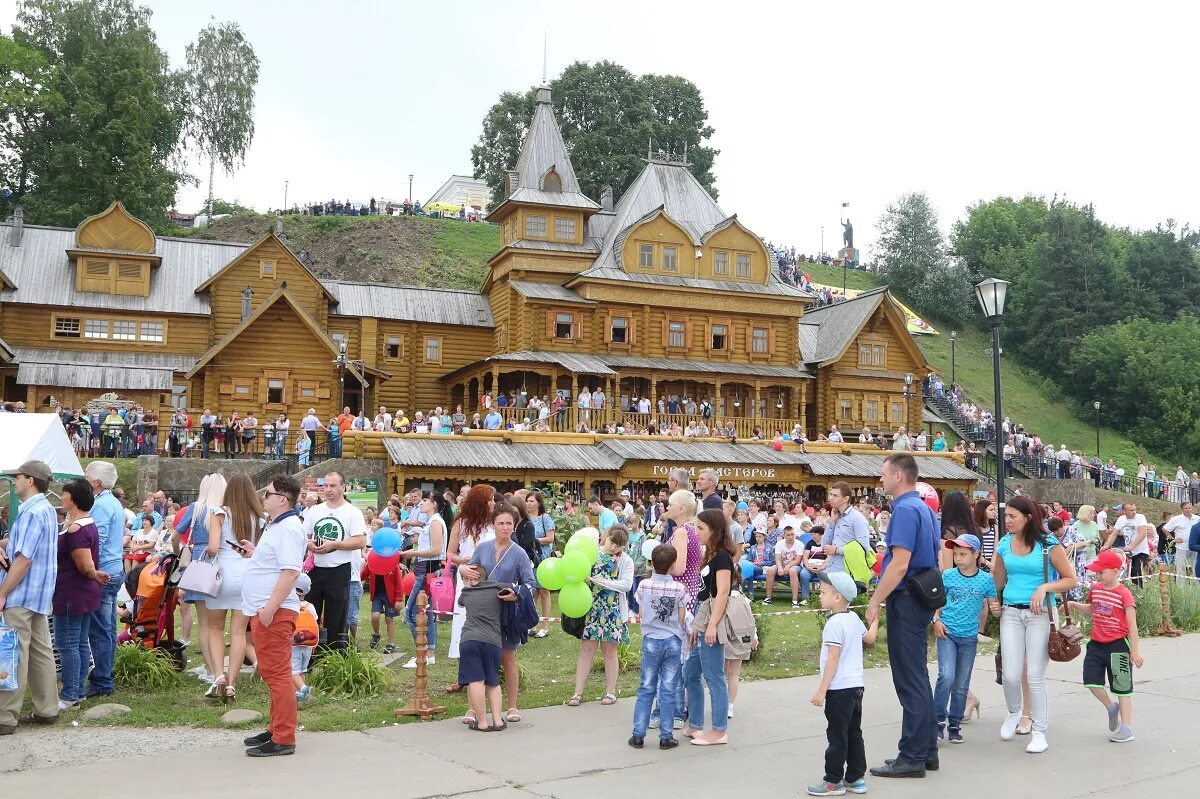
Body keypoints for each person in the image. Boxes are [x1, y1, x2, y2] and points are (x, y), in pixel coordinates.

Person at [867, 454, 941, 778]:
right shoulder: (925, 509)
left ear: (898, 476)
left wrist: (875, 600)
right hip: (920, 598)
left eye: (883, 474)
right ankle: (927, 751)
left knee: (909, 681)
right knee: (918, 678)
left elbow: (898, 564)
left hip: (907, 599)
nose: (880, 480)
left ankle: (911, 756)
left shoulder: (904, 511)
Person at [993, 495, 1077, 754]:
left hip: (1041, 615)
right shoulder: (1004, 544)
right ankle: (1013, 712)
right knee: (1009, 673)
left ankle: (1039, 731)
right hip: (1010, 613)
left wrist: (1044, 587)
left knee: (1035, 675)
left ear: (1028, 518)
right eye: (1005, 516)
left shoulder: (1048, 545)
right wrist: (990, 603)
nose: (1007, 521)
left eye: (1012, 516)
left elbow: (1070, 579)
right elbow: (997, 581)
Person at [239, 475, 306, 757]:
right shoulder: (278, 525)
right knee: (272, 672)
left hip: (274, 611)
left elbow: (291, 572)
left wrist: (269, 609)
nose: (263, 497)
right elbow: (278, 564)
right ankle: (276, 727)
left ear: (282, 499)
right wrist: (256, 555)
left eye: (268, 494)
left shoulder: (289, 528)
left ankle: (283, 736)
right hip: (267, 609)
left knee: (277, 675)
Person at [0, 461, 65, 734]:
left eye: (18, 477)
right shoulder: (47, 510)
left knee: (13, 653)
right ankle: (47, 708)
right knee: (41, 652)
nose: (14, 481)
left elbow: (23, 559)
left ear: (30, 480)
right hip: (40, 593)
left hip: (21, 593)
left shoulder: (29, 513)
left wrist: (2, 593)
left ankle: (5, 716)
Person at [461, 503, 535, 724]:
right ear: (493, 525)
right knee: (477, 661)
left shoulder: (519, 553)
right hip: (482, 613)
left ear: (515, 526)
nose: (504, 527)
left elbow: (530, 583)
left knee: (507, 657)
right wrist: (462, 569)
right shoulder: (482, 548)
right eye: (500, 523)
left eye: (509, 523)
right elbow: (470, 576)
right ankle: (473, 708)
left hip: (507, 612)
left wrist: (516, 594)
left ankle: (512, 706)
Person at [808, 572, 880, 797]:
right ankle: (856, 778)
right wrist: (875, 621)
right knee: (853, 732)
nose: (820, 596)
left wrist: (822, 690)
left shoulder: (834, 623)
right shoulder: (853, 619)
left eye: (823, 592)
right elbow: (869, 639)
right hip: (856, 687)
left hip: (838, 689)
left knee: (837, 735)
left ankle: (832, 780)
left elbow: (833, 658)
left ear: (837, 597)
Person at [1068, 549, 1143, 743]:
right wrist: (1073, 605)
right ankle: (1111, 707)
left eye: (1102, 572)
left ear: (1115, 571)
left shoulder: (1124, 594)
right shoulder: (1095, 589)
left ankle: (1126, 728)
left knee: (1122, 688)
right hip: (1096, 644)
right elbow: (1092, 609)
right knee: (1091, 681)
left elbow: (1132, 625)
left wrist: (1134, 651)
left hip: (1118, 645)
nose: (1098, 575)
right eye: (1097, 572)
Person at [933, 533, 998, 742]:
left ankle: (954, 725)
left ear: (976, 554)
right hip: (947, 633)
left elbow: (993, 606)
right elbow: (938, 601)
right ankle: (937, 723)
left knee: (961, 684)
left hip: (969, 637)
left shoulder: (986, 580)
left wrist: (997, 609)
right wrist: (936, 620)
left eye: (963, 554)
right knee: (946, 676)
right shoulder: (948, 576)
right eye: (956, 554)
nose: (958, 558)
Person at [52, 479, 109, 710]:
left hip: (71, 592)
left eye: (64, 494)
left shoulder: (76, 529)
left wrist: (94, 573)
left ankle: (70, 695)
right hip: (83, 593)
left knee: (68, 644)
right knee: (80, 643)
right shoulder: (83, 523)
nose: (61, 498)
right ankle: (78, 690)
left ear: (73, 499)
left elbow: (85, 566)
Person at [204, 473, 261, 702]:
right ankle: (233, 683)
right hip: (248, 576)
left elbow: (213, 548)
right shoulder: (260, 516)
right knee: (239, 632)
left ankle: (218, 675)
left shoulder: (220, 513)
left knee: (215, 628)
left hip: (222, 575)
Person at [683, 508, 737, 746]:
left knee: (714, 676)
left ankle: (718, 730)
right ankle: (695, 723)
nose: (696, 532)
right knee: (691, 673)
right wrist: (698, 624)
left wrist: (712, 625)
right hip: (703, 617)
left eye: (701, 528)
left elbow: (722, 591)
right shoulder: (710, 554)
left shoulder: (722, 556)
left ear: (714, 530)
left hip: (712, 619)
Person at [566, 525, 633, 707]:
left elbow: (627, 585)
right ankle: (577, 692)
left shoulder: (625, 560)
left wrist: (604, 582)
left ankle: (610, 691)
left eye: (618, 545)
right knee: (586, 650)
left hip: (613, 611)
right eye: (612, 542)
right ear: (606, 536)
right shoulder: (592, 554)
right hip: (591, 608)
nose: (613, 548)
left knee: (609, 651)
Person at [629, 543, 688, 749]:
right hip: (672, 639)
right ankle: (666, 735)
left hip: (651, 638)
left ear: (652, 563)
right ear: (673, 566)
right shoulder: (680, 588)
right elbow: (682, 617)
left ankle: (638, 734)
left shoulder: (644, 585)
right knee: (668, 688)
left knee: (646, 686)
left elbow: (642, 611)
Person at [304, 472, 368, 651]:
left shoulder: (352, 512)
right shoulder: (315, 511)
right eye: (325, 486)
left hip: (339, 569)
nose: (328, 489)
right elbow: (304, 536)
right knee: (310, 613)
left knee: (336, 616)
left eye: (333, 486)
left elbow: (360, 541)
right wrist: (311, 545)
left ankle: (334, 655)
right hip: (315, 568)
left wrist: (335, 545)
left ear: (343, 487)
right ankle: (309, 653)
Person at [83, 460, 125, 699]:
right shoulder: (112, 502)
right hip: (114, 568)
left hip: (103, 572)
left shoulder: (100, 505)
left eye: (87, 476)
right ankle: (105, 674)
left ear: (96, 482)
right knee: (107, 628)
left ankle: (101, 679)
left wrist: (88, 568)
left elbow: (94, 541)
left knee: (100, 629)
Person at [399, 491, 451, 668]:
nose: (421, 504)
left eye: (425, 500)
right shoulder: (432, 522)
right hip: (426, 570)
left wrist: (414, 552)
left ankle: (421, 653)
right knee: (428, 614)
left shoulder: (435, 522)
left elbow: (436, 550)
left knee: (410, 613)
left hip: (427, 572)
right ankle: (429, 653)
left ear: (434, 503)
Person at [445, 485, 495, 666]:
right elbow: (450, 554)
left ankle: (487, 667)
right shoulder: (461, 523)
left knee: (486, 621)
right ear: (481, 501)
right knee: (464, 621)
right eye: (491, 499)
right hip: (466, 576)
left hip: (489, 577)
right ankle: (463, 672)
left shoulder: (494, 523)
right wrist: (462, 562)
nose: (494, 503)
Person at [456, 563, 509, 731]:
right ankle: (498, 720)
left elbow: (460, 603)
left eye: (465, 578)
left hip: (469, 640)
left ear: (472, 578)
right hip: (493, 641)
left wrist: (468, 583)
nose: (464, 582)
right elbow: (512, 590)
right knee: (493, 681)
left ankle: (482, 722)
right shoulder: (497, 589)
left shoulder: (465, 593)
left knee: (475, 680)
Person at [825, 482, 872, 574]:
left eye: (835, 495)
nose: (830, 498)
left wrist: (837, 550)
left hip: (849, 572)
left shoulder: (857, 518)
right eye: (830, 494)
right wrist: (832, 522)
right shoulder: (835, 516)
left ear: (845, 499)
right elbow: (824, 544)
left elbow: (864, 548)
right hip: (831, 568)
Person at [365, 550, 404, 654]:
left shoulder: (392, 564)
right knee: (375, 616)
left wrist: (399, 599)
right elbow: (364, 573)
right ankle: (376, 635)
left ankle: (390, 643)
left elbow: (399, 582)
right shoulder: (371, 563)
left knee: (389, 619)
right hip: (377, 595)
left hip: (389, 596)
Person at [291, 573, 318, 702]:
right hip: (308, 644)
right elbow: (315, 624)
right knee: (302, 669)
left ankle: (303, 689)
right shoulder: (310, 606)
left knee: (292, 671)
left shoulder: (291, 606)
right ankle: (301, 696)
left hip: (293, 645)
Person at [763, 525, 806, 606]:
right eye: (788, 535)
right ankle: (768, 598)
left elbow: (797, 560)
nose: (791, 537)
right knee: (770, 570)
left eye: (792, 534)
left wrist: (788, 566)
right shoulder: (779, 543)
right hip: (781, 564)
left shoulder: (800, 544)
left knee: (792, 571)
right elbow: (778, 559)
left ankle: (795, 600)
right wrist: (779, 568)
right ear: (784, 536)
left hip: (795, 566)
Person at [1163, 502, 1197, 585]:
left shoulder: (1197, 518)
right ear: (1182, 509)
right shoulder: (1176, 519)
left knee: (1196, 568)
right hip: (1182, 547)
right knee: (1180, 569)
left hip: (1195, 546)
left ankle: (1196, 586)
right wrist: (1173, 539)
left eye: (1189, 508)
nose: (1188, 510)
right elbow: (1165, 529)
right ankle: (1181, 589)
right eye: (1186, 508)